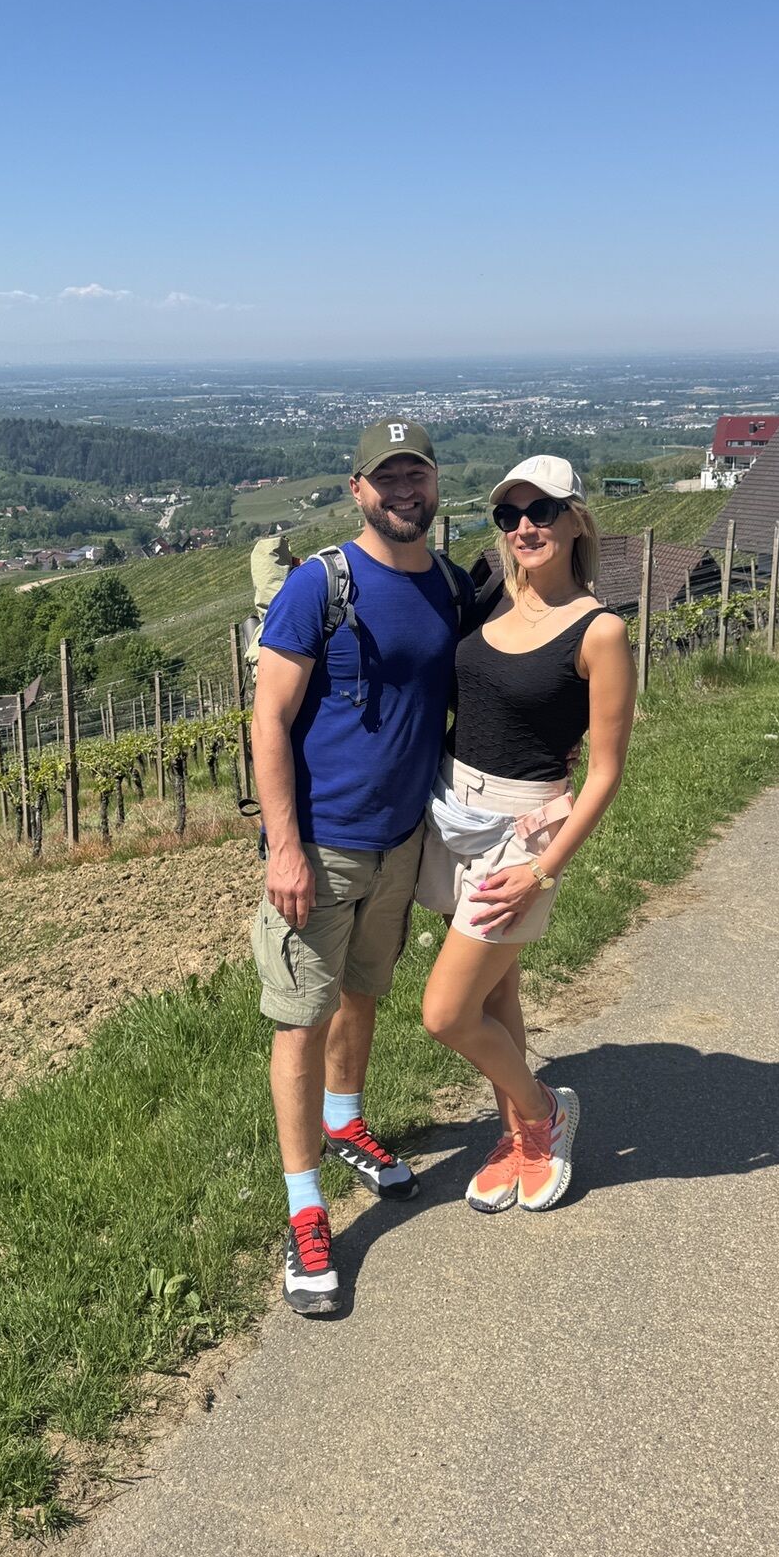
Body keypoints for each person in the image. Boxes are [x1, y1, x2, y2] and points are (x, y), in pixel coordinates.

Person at [251, 418, 473, 1314]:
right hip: (323, 846)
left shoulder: (450, 588)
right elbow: (269, 721)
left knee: (363, 991)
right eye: (388, 478)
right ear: (358, 490)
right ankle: (306, 1209)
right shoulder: (320, 585)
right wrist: (285, 849)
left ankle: (345, 1122)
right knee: (301, 1019)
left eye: (417, 474)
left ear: (435, 482)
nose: (405, 491)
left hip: (402, 839)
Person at [417, 455, 636, 1214]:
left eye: (542, 511)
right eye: (509, 515)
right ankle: (517, 1138)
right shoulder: (490, 598)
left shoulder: (601, 631)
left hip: (522, 834)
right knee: (496, 993)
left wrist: (544, 871)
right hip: (453, 813)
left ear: (577, 520)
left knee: (446, 1012)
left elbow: (605, 772)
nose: (524, 528)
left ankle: (544, 1112)